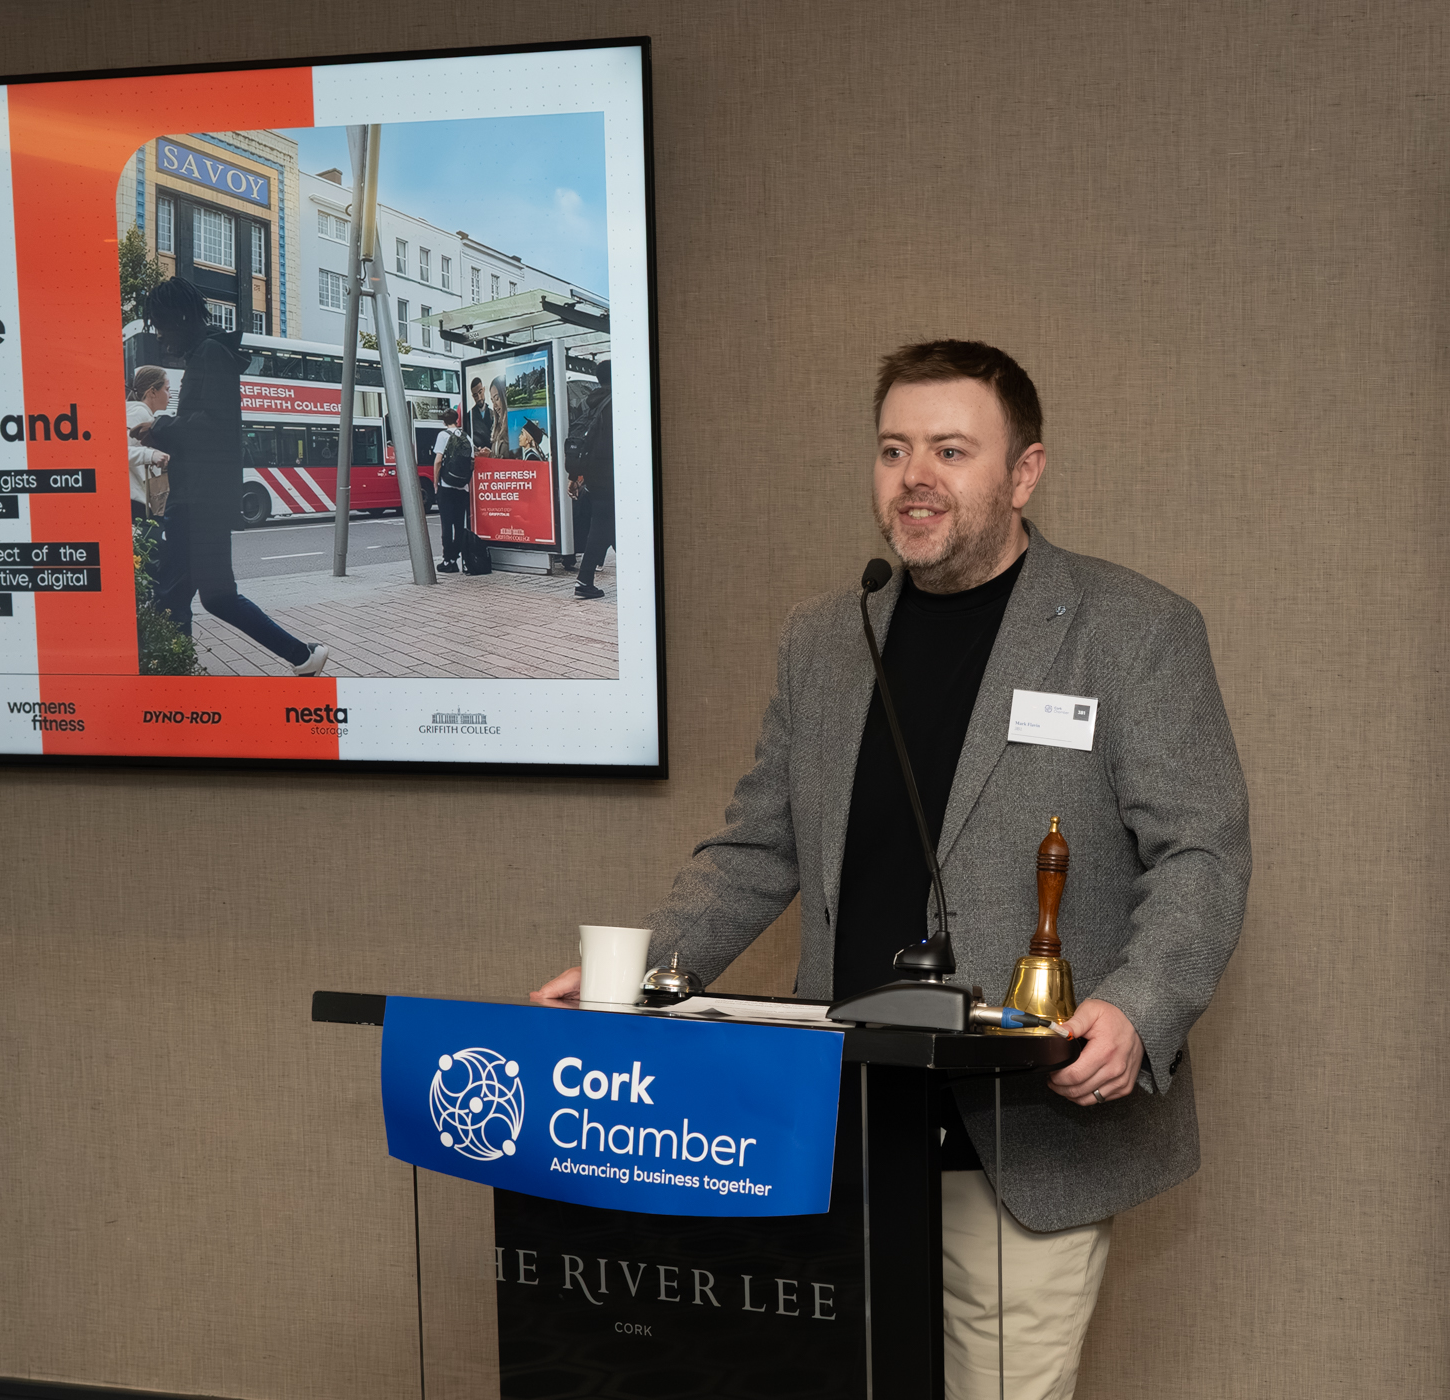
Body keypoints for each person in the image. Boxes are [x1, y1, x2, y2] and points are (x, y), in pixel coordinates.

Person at [532, 341, 1250, 1400]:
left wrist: (1140, 1008)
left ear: (1024, 473)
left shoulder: (1133, 630)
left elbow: (1202, 852)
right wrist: (633, 975)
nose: (914, 476)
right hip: (837, 1134)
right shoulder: (825, 637)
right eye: (893, 449)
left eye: (951, 450)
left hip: (1024, 1136)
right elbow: (756, 845)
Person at [141, 278, 330, 676]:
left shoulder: (211, 354)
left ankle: (172, 676)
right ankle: (301, 655)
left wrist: (159, 426)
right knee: (205, 595)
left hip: (199, 501)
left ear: (179, 317)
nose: (159, 335)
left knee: (180, 594)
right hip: (199, 498)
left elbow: (213, 427)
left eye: (161, 324)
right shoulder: (207, 354)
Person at [567, 360, 613, 599]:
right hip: (612, 478)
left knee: (605, 527)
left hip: (593, 478)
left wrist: (574, 476)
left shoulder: (590, 403)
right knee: (603, 527)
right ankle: (584, 581)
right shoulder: (614, 403)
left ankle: (584, 580)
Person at [431, 408, 473, 573]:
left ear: (444, 422)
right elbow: (471, 462)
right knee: (459, 525)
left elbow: (438, 461)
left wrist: (436, 483)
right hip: (462, 488)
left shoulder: (443, 436)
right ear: (457, 420)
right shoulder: (466, 437)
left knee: (447, 525)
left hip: (447, 487)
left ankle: (448, 560)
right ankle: (455, 557)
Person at [126, 365, 171, 523]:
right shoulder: (138, 413)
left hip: (137, 498)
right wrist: (151, 455)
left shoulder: (140, 413)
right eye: (167, 389)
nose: (170, 395)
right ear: (152, 392)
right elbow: (117, 452)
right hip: (136, 500)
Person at [467, 377, 494, 453]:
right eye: (475, 395)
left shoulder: (492, 414)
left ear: (484, 390)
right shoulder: (469, 416)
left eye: (480, 392)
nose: (479, 398)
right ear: (473, 396)